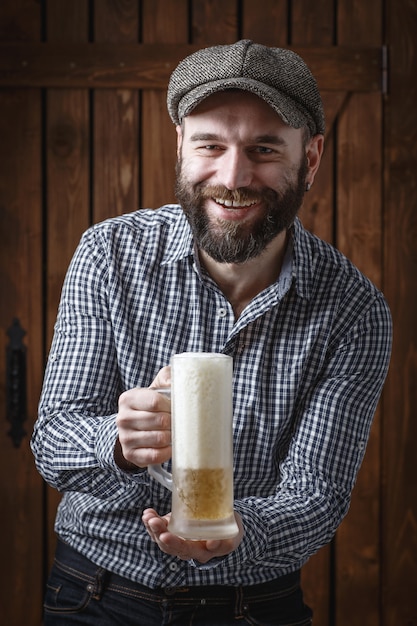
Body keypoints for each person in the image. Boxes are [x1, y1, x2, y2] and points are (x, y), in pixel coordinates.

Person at [31, 39, 392, 626]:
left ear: (312, 157)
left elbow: (316, 495)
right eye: (210, 145)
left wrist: (237, 534)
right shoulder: (108, 254)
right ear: (181, 147)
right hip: (92, 595)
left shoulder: (354, 309)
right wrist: (118, 445)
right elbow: (53, 443)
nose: (233, 176)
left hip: (252, 605)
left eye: (264, 148)